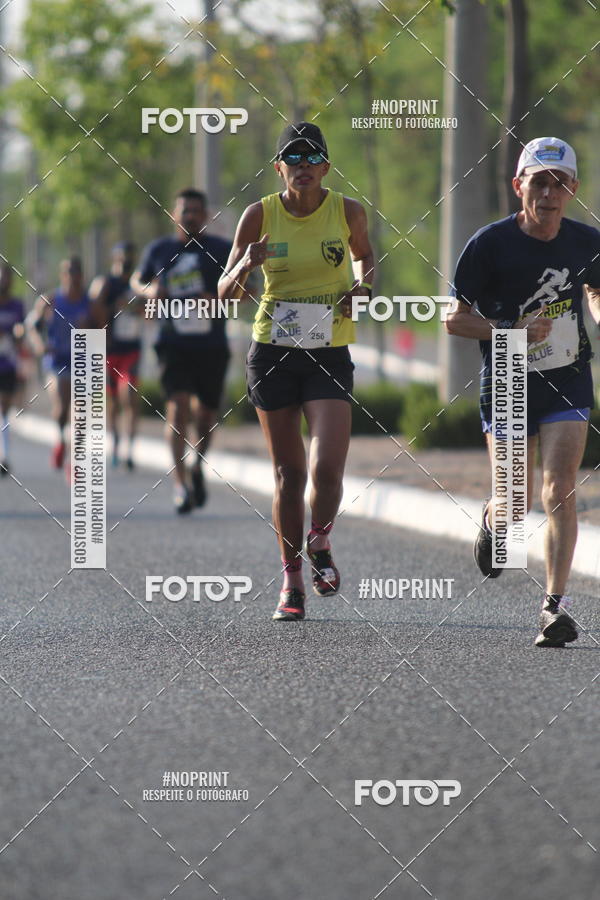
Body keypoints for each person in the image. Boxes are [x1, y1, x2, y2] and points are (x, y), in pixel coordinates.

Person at [446, 136, 600, 648]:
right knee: (516, 502)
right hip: (510, 372)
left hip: (567, 375)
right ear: (519, 187)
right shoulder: (489, 243)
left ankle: (554, 608)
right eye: (539, 182)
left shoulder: (586, 241)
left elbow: (596, 289)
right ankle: (495, 521)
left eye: (559, 183)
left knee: (560, 490)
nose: (549, 193)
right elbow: (455, 319)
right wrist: (508, 331)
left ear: (572, 189)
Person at [218, 122, 374, 621]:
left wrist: (362, 286)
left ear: (326, 167)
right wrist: (245, 265)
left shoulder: (347, 211)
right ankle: (290, 579)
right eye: (294, 158)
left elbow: (366, 258)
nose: (303, 167)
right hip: (273, 352)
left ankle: (320, 539)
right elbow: (225, 293)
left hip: (328, 351)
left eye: (313, 158)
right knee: (289, 474)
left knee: (328, 467)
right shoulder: (257, 214)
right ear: (279, 167)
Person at [131, 189, 232, 514]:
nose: (189, 216)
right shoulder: (160, 250)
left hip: (212, 344)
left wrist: (215, 300)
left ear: (205, 216)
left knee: (205, 416)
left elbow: (245, 289)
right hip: (172, 343)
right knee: (177, 410)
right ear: (174, 214)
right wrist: (150, 290)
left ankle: (197, 464)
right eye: (184, 210)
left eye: (195, 211)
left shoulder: (220, 250)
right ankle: (179, 484)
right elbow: (137, 279)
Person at [27, 257, 91, 471]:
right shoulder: (51, 300)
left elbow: (103, 327)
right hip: (56, 361)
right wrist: (40, 345)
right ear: (62, 276)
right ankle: (61, 439)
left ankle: (75, 462)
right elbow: (32, 326)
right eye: (68, 273)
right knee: (62, 407)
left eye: (76, 272)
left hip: (81, 362)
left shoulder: (89, 303)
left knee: (80, 413)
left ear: (82, 276)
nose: (72, 277)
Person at [90, 242, 143, 469]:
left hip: (131, 350)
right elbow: (93, 308)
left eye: (129, 257)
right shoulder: (106, 284)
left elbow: (149, 309)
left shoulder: (139, 283)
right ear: (114, 259)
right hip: (110, 352)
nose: (125, 262)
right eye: (122, 258)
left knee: (129, 396)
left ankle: (129, 451)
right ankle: (115, 444)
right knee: (112, 404)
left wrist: (137, 306)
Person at [0, 262, 25, 476]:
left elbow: (21, 332)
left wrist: (17, 334)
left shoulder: (17, 306)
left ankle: (5, 456)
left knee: (4, 409)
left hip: (7, 364)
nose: (3, 281)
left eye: (7, 277)